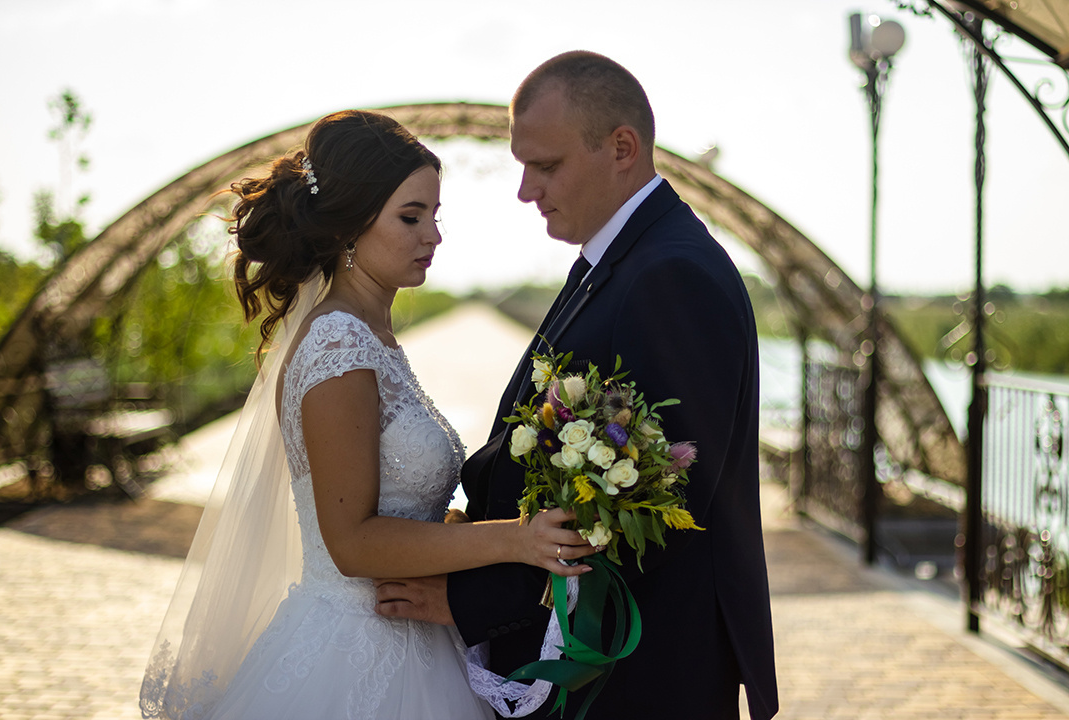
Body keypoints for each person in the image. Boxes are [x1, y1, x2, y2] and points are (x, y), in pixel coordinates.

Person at [139, 109, 597, 720]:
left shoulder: (371, 340)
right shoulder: (337, 347)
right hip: (355, 654)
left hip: (414, 636)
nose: (432, 236)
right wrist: (515, 540)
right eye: (410, 217)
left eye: (435, 216)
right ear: (350, 226)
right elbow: (352, 543)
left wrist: (455, 531)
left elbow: (390, 504)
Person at [374, 52, 779, 719]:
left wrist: (472, 597)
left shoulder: (671, 275)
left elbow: (658, 506)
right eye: (522, 165)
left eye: (546, 165)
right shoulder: (617, 260)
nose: (526, 189)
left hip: (637, 675)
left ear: (621, 147)